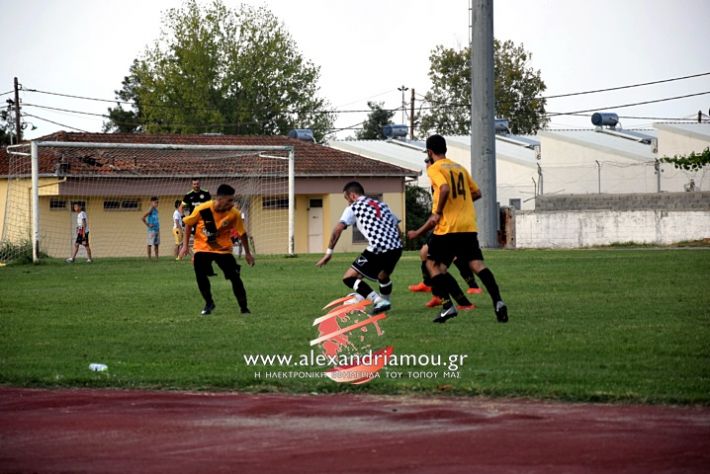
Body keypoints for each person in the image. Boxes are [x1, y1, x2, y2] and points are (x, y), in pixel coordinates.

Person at [407, 134, 508, 324]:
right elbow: (476, 192)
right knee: (477, 265)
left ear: (430, 152)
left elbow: (444, 189)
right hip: (468, 226)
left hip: (448, 228)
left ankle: (447, 306)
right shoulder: (459, 168)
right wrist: (460, 203)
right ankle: (498, 302)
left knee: (432, 264)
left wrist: (438, 212)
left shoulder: (435, 168)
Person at [316, 181, 403, 314]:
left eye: (347, 199)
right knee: (383, 276)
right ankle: (385, 302)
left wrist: (329, 252)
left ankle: (378, 301)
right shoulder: (382, 205)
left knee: (349, 278)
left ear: (352, 196)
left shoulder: (354, 207)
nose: (348, 203)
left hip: (378, 247)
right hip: (396, 247)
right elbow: (398, 229)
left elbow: (338, 229)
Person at [179, 184, 254, 316]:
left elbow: (242, 233)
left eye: (233, 200)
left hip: (223, 249)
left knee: (235, 277)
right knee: (200, 275)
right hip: (202, 248)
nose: (232, 203)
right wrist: (185, 246)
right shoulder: (203, 209)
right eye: (230, 200)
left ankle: (244, 308)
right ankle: (209, 303)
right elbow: (189, 223)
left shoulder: (234, 214)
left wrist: (248, 253)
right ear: (220, 198)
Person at [409, 243, 483, 308]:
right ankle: (433, 291)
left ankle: (465, 302)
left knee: (439, 267)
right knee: (425, 253)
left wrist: (418, 232)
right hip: (443, 230)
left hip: (449, 232)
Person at [182, 178, 215, 275]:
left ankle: (198, 260)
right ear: (192, 185)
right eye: (194, 184)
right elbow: (181, 207)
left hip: (205, 222)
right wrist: (183, 217)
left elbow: (210, 206)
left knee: (206, 243)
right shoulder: (188, 195)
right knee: (198, 242)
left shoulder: (206, 193)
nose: (196, 185)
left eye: (197, 184)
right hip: (193, 222)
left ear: (199, 184)